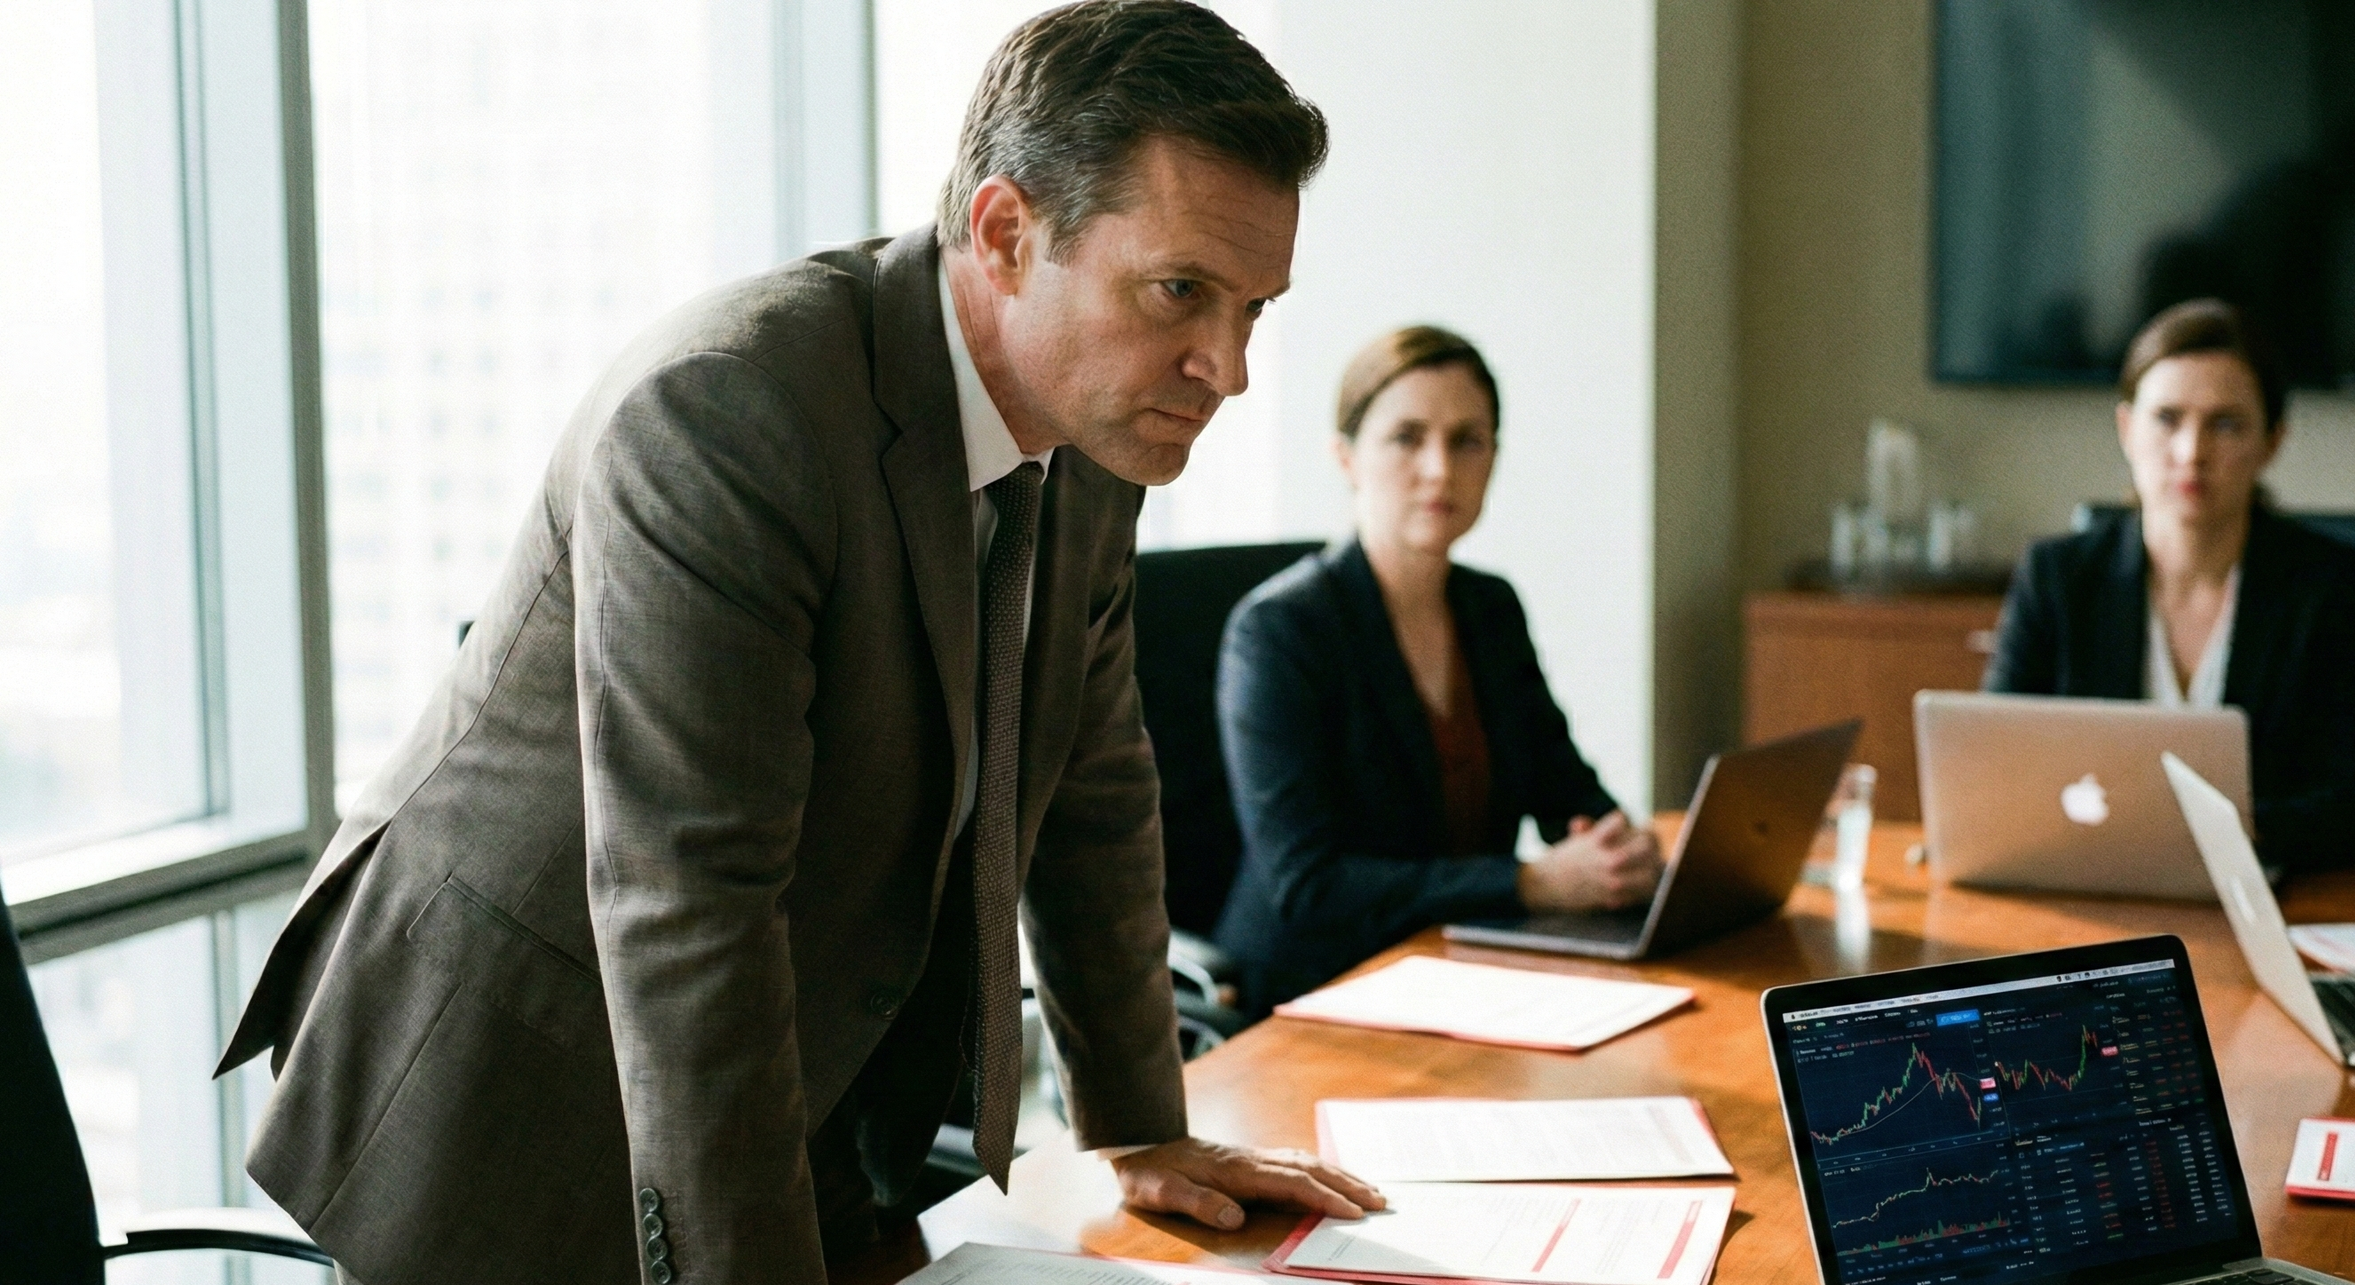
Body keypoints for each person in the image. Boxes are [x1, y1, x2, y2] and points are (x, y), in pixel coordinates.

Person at [212, 5, 1386, 1282]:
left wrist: (1142, 1129)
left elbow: (1091, 788)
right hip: (516, 1091)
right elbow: (688, 908)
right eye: (1181, 292)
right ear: (1004, 234)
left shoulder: (1092, 434)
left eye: (1255, 309)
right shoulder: (725, 413)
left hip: (793, 1070)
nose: (1227, 367)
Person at [1213, 326, 1663, 1014]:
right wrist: (1529, 883)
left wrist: (1619, 848)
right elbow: (1308, 887)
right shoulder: (1279, 632)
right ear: (1345, 457)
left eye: (1466, 440)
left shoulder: (1489, 606)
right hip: (1312, 993)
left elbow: (1563, 789)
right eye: (1406, 437)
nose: (1438, 468)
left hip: (1460, 970)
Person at [1987, 297, 2355, 876]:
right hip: (2084, 885)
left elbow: (2347, 798)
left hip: (2271, 894)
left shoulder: (2332, 588)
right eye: (2167, 419)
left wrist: (2231, 832)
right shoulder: (2056, 578)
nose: (2191, 453)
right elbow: (1992, 766)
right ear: (2127, 429)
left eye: (2226, 424)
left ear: (2272, 441)